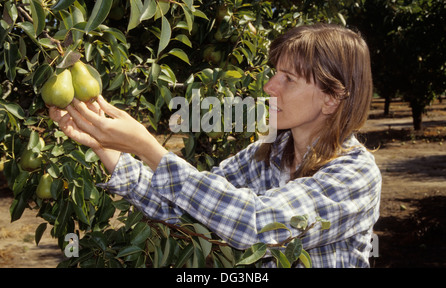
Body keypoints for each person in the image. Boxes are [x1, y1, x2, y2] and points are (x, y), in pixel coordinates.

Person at [49, 23, 382, 268]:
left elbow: (258, 226)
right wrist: (101, 143)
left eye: (289, 78)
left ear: (331, 98)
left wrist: (147, 146)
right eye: (274, 73)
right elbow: (190, 210)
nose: (269, 86)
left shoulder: (355, 175)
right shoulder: (264, 155)